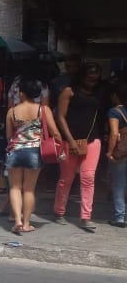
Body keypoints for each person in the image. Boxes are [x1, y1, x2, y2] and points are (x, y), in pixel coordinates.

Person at [5, 79, 61, 234]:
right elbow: (55, 132)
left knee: (15, 187)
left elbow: (9, 136)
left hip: (15, 151)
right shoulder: (43, 110)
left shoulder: (12, 111)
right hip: (34, 152)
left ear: (21, 93)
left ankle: (16, 220)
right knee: (29, 189)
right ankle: (27, 223)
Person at [54, 63, 104, 231]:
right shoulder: (69, 91)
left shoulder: (98, 93)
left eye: (95, 79)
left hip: (92, 140)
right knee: (66, 179)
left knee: (88, 178)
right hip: (70, 141)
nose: (92, 82)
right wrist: (70, 140)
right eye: (89, 78)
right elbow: (60, 117)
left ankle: (86, 217)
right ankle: (59, 211)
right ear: (82, 76)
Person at [106, 83, 127, 228]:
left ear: (115, 96)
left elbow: (114, 133)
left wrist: (109, 152)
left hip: (122, 152)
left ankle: (120, 217)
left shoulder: (115, 112)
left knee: (119, 184)